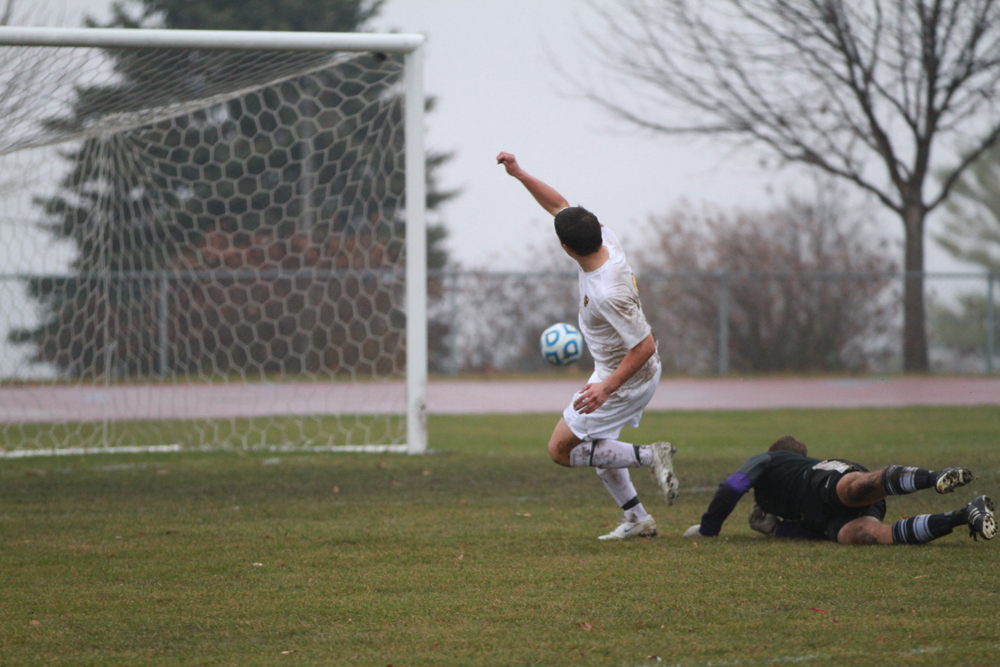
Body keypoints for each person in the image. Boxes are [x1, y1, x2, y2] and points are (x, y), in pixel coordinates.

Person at [497, 151, 678, 540]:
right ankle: (638, 520)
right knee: (597, 446)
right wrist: (519, 174)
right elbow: (559, 206)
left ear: (566, 248)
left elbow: (644, 346)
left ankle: (650, 455)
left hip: (627, 376)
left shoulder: (607, 292)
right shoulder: (604, 238)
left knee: (561, 450)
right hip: (611, 368)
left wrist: (606, 388)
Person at [682, 435, 995, 545]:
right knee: (870, 535)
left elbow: (731, 486)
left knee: (855, 487)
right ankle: (965, 514)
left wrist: (709, 529)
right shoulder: (776, 505)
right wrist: (777, 530)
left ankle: (936, 477)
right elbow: (813, 537)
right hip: (826, 519)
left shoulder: (771, 460)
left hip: (820, 482)